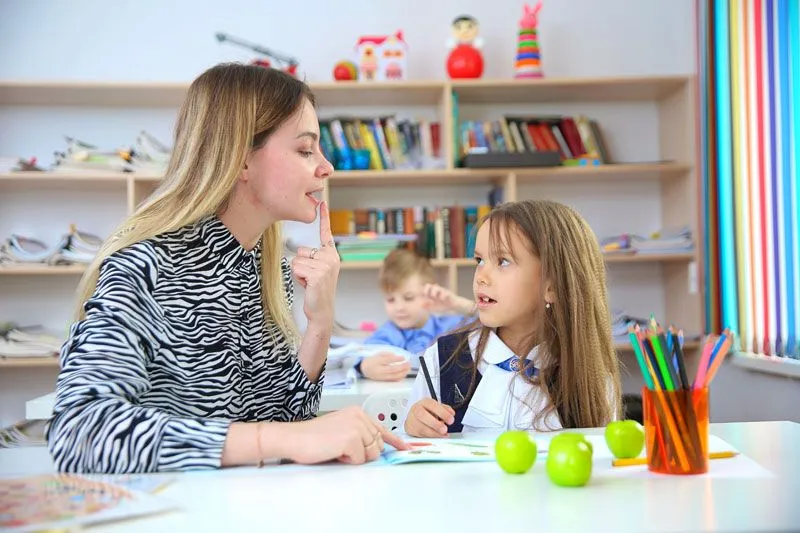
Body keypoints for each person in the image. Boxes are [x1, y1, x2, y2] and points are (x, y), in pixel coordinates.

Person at [46, 63, 407, 474]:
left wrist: (320, 323)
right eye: (306, 150)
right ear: (240, 161)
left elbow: (283, 420)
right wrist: (285, 438)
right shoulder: (144, 267)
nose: (327, 167)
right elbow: (80, 432)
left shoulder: (264, 269)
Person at [404, 200, 622, 436]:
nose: (481, 277)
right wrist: (412, 426)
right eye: (480, 260)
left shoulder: (590, 377)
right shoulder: (441, 360)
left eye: (503, 261)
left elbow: (600, 461)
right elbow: (405, 450)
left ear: (553, 286)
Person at [355, 249, 474, 382]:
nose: (399, 307)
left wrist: (458, 304)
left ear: (430, 293)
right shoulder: (387, 334)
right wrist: (364, 367)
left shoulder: (450, 326)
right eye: (390, 300)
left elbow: (491, 323)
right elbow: (363, 355)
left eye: (409, 298)